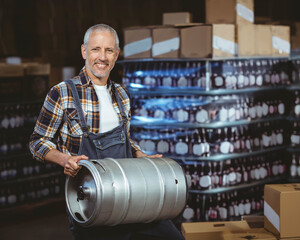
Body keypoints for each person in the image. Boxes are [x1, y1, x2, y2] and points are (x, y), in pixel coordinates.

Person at [29, 24, 185, 240]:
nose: (102, 57)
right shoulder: (62, 93)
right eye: (96, 49)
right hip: (92, 201)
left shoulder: (122, 94)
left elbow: (124, 140)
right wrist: (64, 159)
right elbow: (37, 142)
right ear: (84, 51)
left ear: (117, 54)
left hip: (132, 193)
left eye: (109, 50)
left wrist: (141, 155)